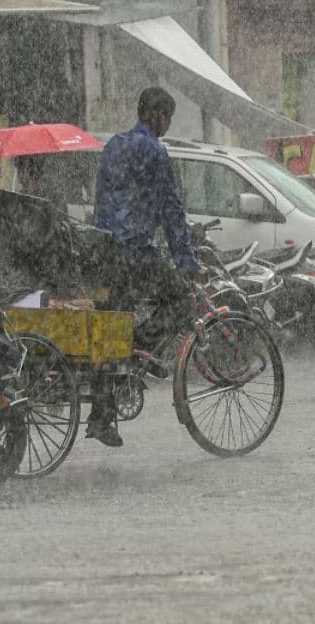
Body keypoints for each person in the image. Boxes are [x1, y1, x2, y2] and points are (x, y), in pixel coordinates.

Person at [90, 87, 203, 447]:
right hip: (136, 252)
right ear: (156, 116)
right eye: (166, 118)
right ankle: (141, 348)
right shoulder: (155, 151)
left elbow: (102, 201)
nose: (166, 125)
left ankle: (101, 416)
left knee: (108, 329)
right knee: (182, 300)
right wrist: (186, 262)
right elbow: (172, 212)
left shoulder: (113, 146)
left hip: (105, 252)